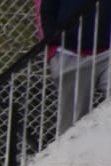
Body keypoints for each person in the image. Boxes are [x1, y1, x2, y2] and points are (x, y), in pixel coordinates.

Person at [40, 0, 111, 134]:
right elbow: (46, 10)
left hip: (106, 52)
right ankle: (65, 153)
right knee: (73, 121)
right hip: (70, 53)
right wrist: (54, 42)